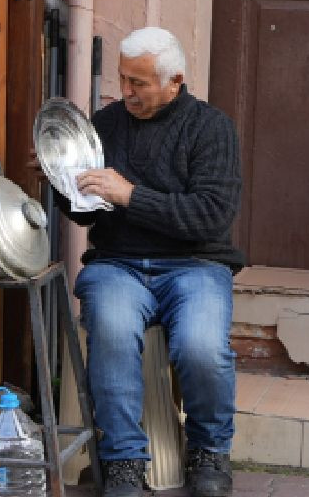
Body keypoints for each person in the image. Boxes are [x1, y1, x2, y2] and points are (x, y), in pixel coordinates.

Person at [53, 27, 242, 497]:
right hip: (117, 263)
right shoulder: (105, 123)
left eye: (139, 82)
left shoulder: (211, 127)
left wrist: (130, 195)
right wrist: (62, 179)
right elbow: (86, 209)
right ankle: (122, 461)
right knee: (113, 334)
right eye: (123, 78)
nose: (126, 92)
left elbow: (210, 215)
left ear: (175, 80)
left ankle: (209, 450)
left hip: (195, 264)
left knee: (201, 347)